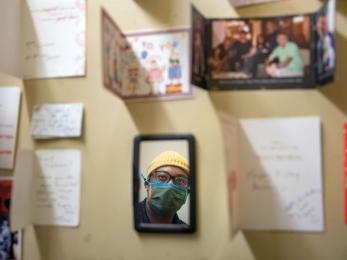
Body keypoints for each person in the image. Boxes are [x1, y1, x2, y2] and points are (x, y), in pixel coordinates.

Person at [136, 151, 190, 224]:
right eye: (162, 177)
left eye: (180, 180)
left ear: (187, 192)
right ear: (147, 184)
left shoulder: (186, 234)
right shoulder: (126, 218)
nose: (170, 186)